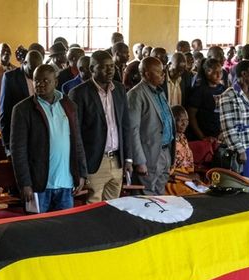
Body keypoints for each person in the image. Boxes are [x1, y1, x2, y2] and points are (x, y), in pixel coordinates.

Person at [11, 65, 87, 213]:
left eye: (45, 80)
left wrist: (82, 174)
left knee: (64, 230)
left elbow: (77, 142)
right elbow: (18, 150)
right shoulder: (22, 109)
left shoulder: (69, 105)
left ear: (56, 82)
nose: (40, 84)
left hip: (66, 183)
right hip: (38, 185)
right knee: (37, 231)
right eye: (36, 81)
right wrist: (25, 183)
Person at [69, 50, 132, 203]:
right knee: (93, 209)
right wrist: (81, 169)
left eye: (112, 66)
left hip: (117, 160)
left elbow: (125, 125)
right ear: (92, 70)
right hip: (95, 162)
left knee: (113, 207)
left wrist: (128, 159)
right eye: (104, 67)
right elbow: (75, 134)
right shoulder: (79, 93)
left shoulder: (119, 89)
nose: (110, 70)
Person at [127, 57, 174, 195]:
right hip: (149, 155)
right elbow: (132, 130)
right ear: (147, 74)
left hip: (164, 151)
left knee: (160, 197)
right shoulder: (136, 94)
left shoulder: (159, 91)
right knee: (146, 198)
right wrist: (139, 161)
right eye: (159, 72)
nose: (163, 75)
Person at [218, 60, 249, 192]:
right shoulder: (229, 95)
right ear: (244, 74)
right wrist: (240, 150)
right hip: (240, 149)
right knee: (241, 186)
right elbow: (228, 127)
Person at [0, 50, 43, 148]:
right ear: (25, 63)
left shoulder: (41, 76)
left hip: (39, 136)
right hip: (19, 134)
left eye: (38, 68)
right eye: (32, 69)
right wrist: (7, 145)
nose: (35, 73)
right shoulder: (10, 78)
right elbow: (4, 112)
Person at [187, 58, 226, 142]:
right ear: (207, 72)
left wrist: (223, 131)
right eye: (215, 72)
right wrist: (202, 137)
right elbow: (191, 116)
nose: (219, 75)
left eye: (221, 72)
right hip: (205, 136)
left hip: (220, 135)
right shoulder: (199, 90)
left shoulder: (222, 88)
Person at [165, 105, 197, 196]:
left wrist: (193, 176)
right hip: (173, 182)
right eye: (181, 120)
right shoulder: (168, 140)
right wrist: (189, 176)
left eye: (186, 120)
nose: (185, 124)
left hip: (187, 180)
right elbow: (166, 170)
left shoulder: (182, 137)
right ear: (172, 120)